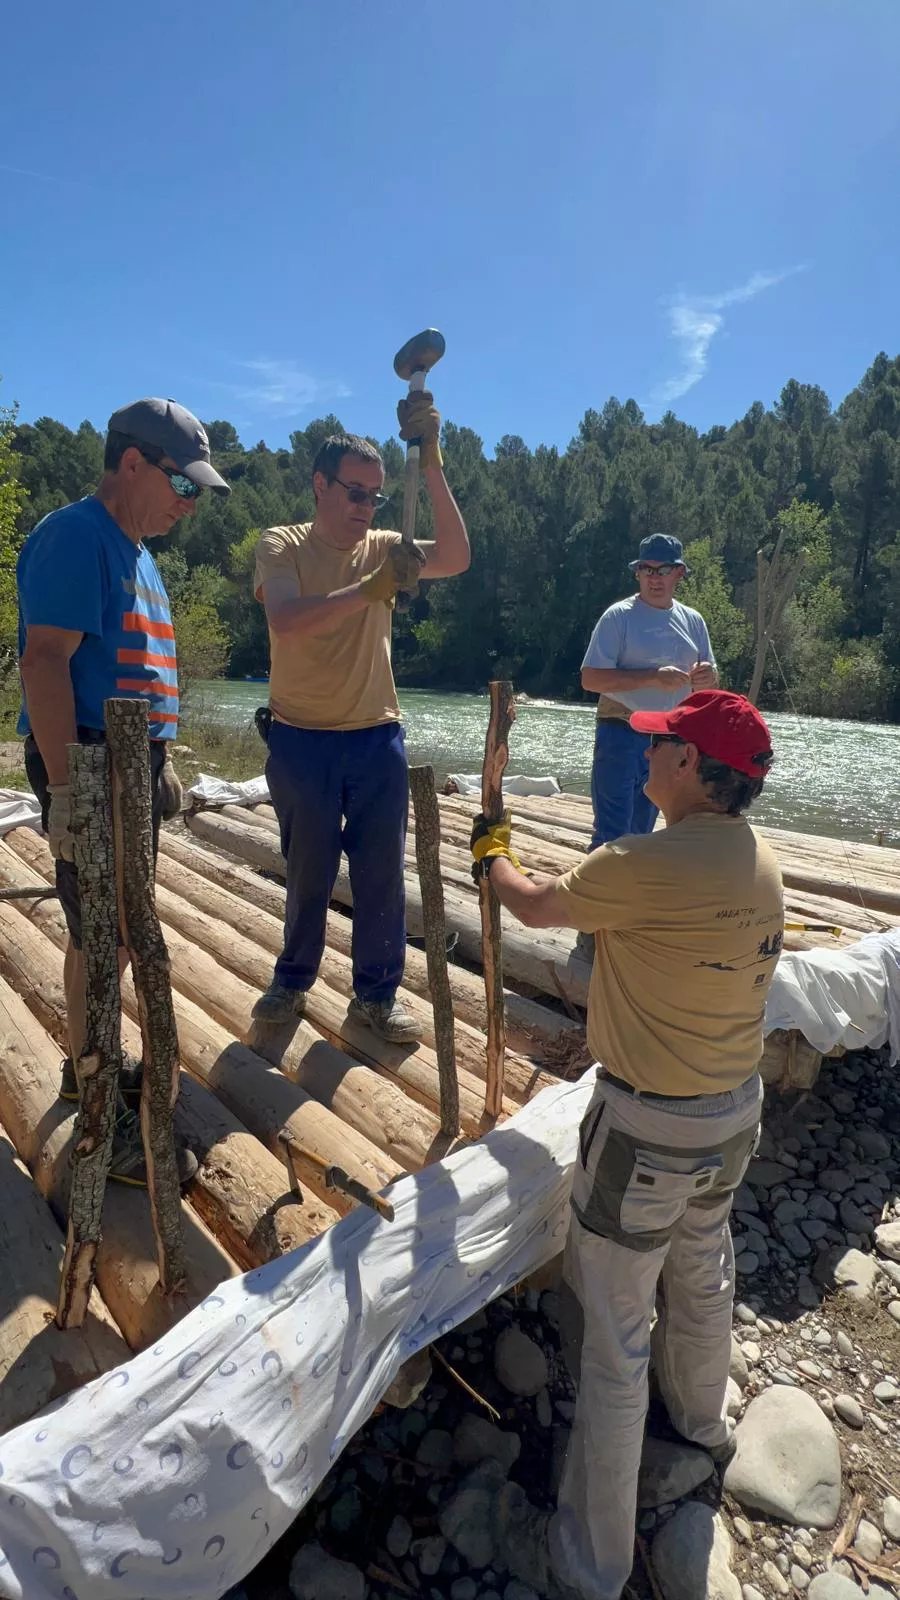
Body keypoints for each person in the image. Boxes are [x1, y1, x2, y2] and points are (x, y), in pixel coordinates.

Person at [470, 690, 784, 1600]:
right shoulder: (761, 860)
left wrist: (493, 852)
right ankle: (700, 1426)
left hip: (647, 1128)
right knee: (703, 1267)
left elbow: (532, 905)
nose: (643, 758)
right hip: (732, 1114)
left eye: (658, 746)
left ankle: (588, 1565)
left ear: (691, 765)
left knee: (614, 1339)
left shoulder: (640, 861)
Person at [18, 397, 231, 1185]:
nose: (190, 502)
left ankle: (88, 1065)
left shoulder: (136, 550)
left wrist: (160, 759)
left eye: (199, 490)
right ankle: (101, 1118)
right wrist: (68, 789)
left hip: (127, 766)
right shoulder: (78, 536)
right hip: (91, 762)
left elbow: (133, 669)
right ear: (132, 463)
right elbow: (44, 665)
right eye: (183, 483)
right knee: (108, 933)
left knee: (100, 929)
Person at [252, 389, 470, 1042]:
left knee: (380, 878)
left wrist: (431, 460)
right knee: (309, 873)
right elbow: (286, 621)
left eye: (374, 495)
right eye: (354, 492)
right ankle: (292, 981)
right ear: (319, 485)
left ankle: (376, 997)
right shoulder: (281, 543)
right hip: (300, 740)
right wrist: (369, 590)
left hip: (376, 739)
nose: (366, 507)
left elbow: (458, 556)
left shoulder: (386, 546)